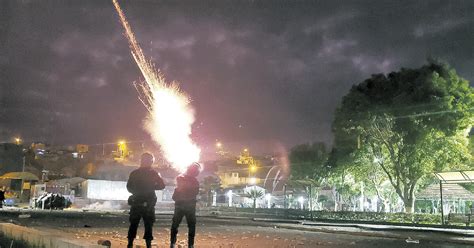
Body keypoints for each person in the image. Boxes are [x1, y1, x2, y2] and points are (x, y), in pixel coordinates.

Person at [126, 153, 165, 248]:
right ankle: (148, 245)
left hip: (136, 202)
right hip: (149, 203)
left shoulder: (134, 173)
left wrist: (137, 192)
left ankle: (130, 244)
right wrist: (151, 187)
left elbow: (129, 187)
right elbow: (162, 185)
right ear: (151, 161)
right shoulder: (153, 173)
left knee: (133, 224)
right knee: (148, 225)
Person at [170, 162, 201, 248]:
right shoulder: (195, 181)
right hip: (189, 206)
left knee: (175, 225)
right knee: (191, 225)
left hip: (180, 205)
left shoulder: (180, 178)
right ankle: (191, 245)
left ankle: (172, 243)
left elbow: (178, 191)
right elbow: (195, 192)